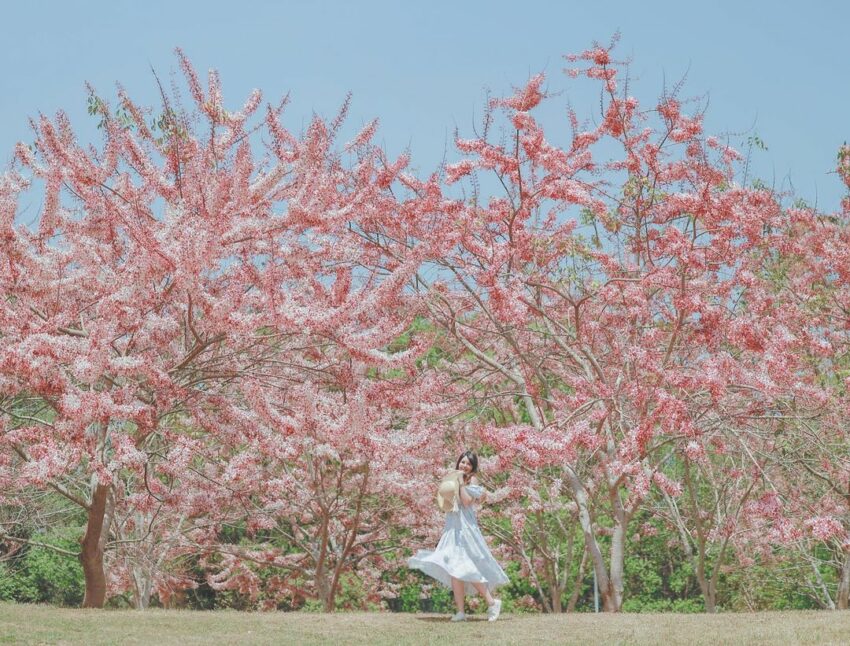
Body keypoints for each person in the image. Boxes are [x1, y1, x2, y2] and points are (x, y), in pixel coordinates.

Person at [408, 450, 508, 622]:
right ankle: (461, 612)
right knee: (455, 569)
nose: (464, 466)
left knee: (466, 567)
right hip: (452, 527)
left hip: (466, 528)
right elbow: (445, 502)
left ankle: (492, 602)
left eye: (468, 463)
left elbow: (467, 501)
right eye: (462, 462)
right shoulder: (451, 479)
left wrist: (461, 483)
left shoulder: (472, 481)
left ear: (472, 468)